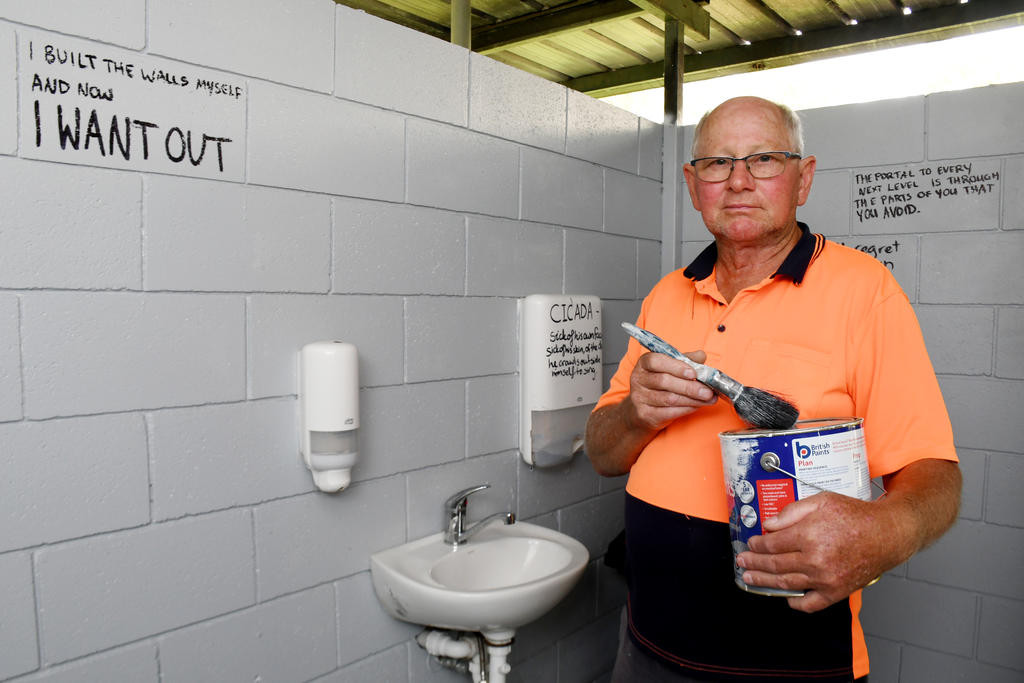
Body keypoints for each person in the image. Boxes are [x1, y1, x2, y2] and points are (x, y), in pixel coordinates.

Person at [585, 96, 961, 683]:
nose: (738, 181)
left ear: (803, 178)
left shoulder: (865, 291)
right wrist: (636, 413)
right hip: (646, 645)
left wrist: (886, 532)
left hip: (793, 663)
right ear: (692, 183)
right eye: (717, 163)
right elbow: (603, 453)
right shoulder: (666, 295)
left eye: (763, 159)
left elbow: (935, 473)